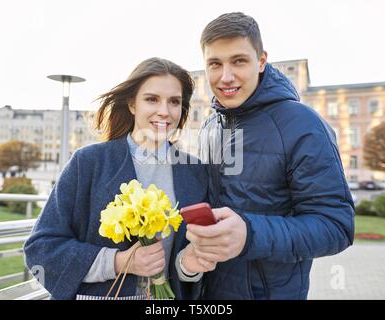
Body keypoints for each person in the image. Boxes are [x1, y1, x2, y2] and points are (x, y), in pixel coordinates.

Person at [187, 12, 355, 299]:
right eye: (215, 64)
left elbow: (336, 226)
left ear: (262, 60)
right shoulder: (208, 127)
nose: (225, 77)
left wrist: (250, 234)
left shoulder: (304, 125)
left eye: (238, 61)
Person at [24, 57, 215, 300]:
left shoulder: (197, 172)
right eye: (152, 99)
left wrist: (189, 266)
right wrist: (119, 261)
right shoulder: (88, 162)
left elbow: (186, 266)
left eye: (174, 102)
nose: (164, 111)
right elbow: (41, 248)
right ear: (132, 104)